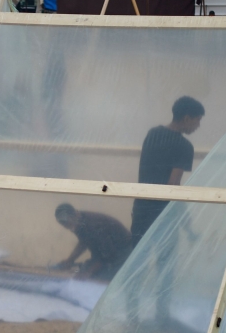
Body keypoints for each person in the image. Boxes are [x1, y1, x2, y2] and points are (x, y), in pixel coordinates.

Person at [131, 96, 205, 246]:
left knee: (137, 261)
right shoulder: (184, 146)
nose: (198, 125)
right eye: (197, 120)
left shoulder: (152, 134)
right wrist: (187, 226)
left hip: (141, 208)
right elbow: (173, 185)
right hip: (161, 214)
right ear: (186, 118)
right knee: (165, 263)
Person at [52, 204, 131, 281]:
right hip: (104, 253)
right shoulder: (77, 222)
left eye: (69, 224)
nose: (69, 228)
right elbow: (83, 243)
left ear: (76, 214)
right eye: (65, 225)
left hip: (123, 253)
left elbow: (107, 256)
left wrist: (88, 273)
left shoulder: (94, 226)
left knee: (102, 278)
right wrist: (70, 260)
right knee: (84, 272)